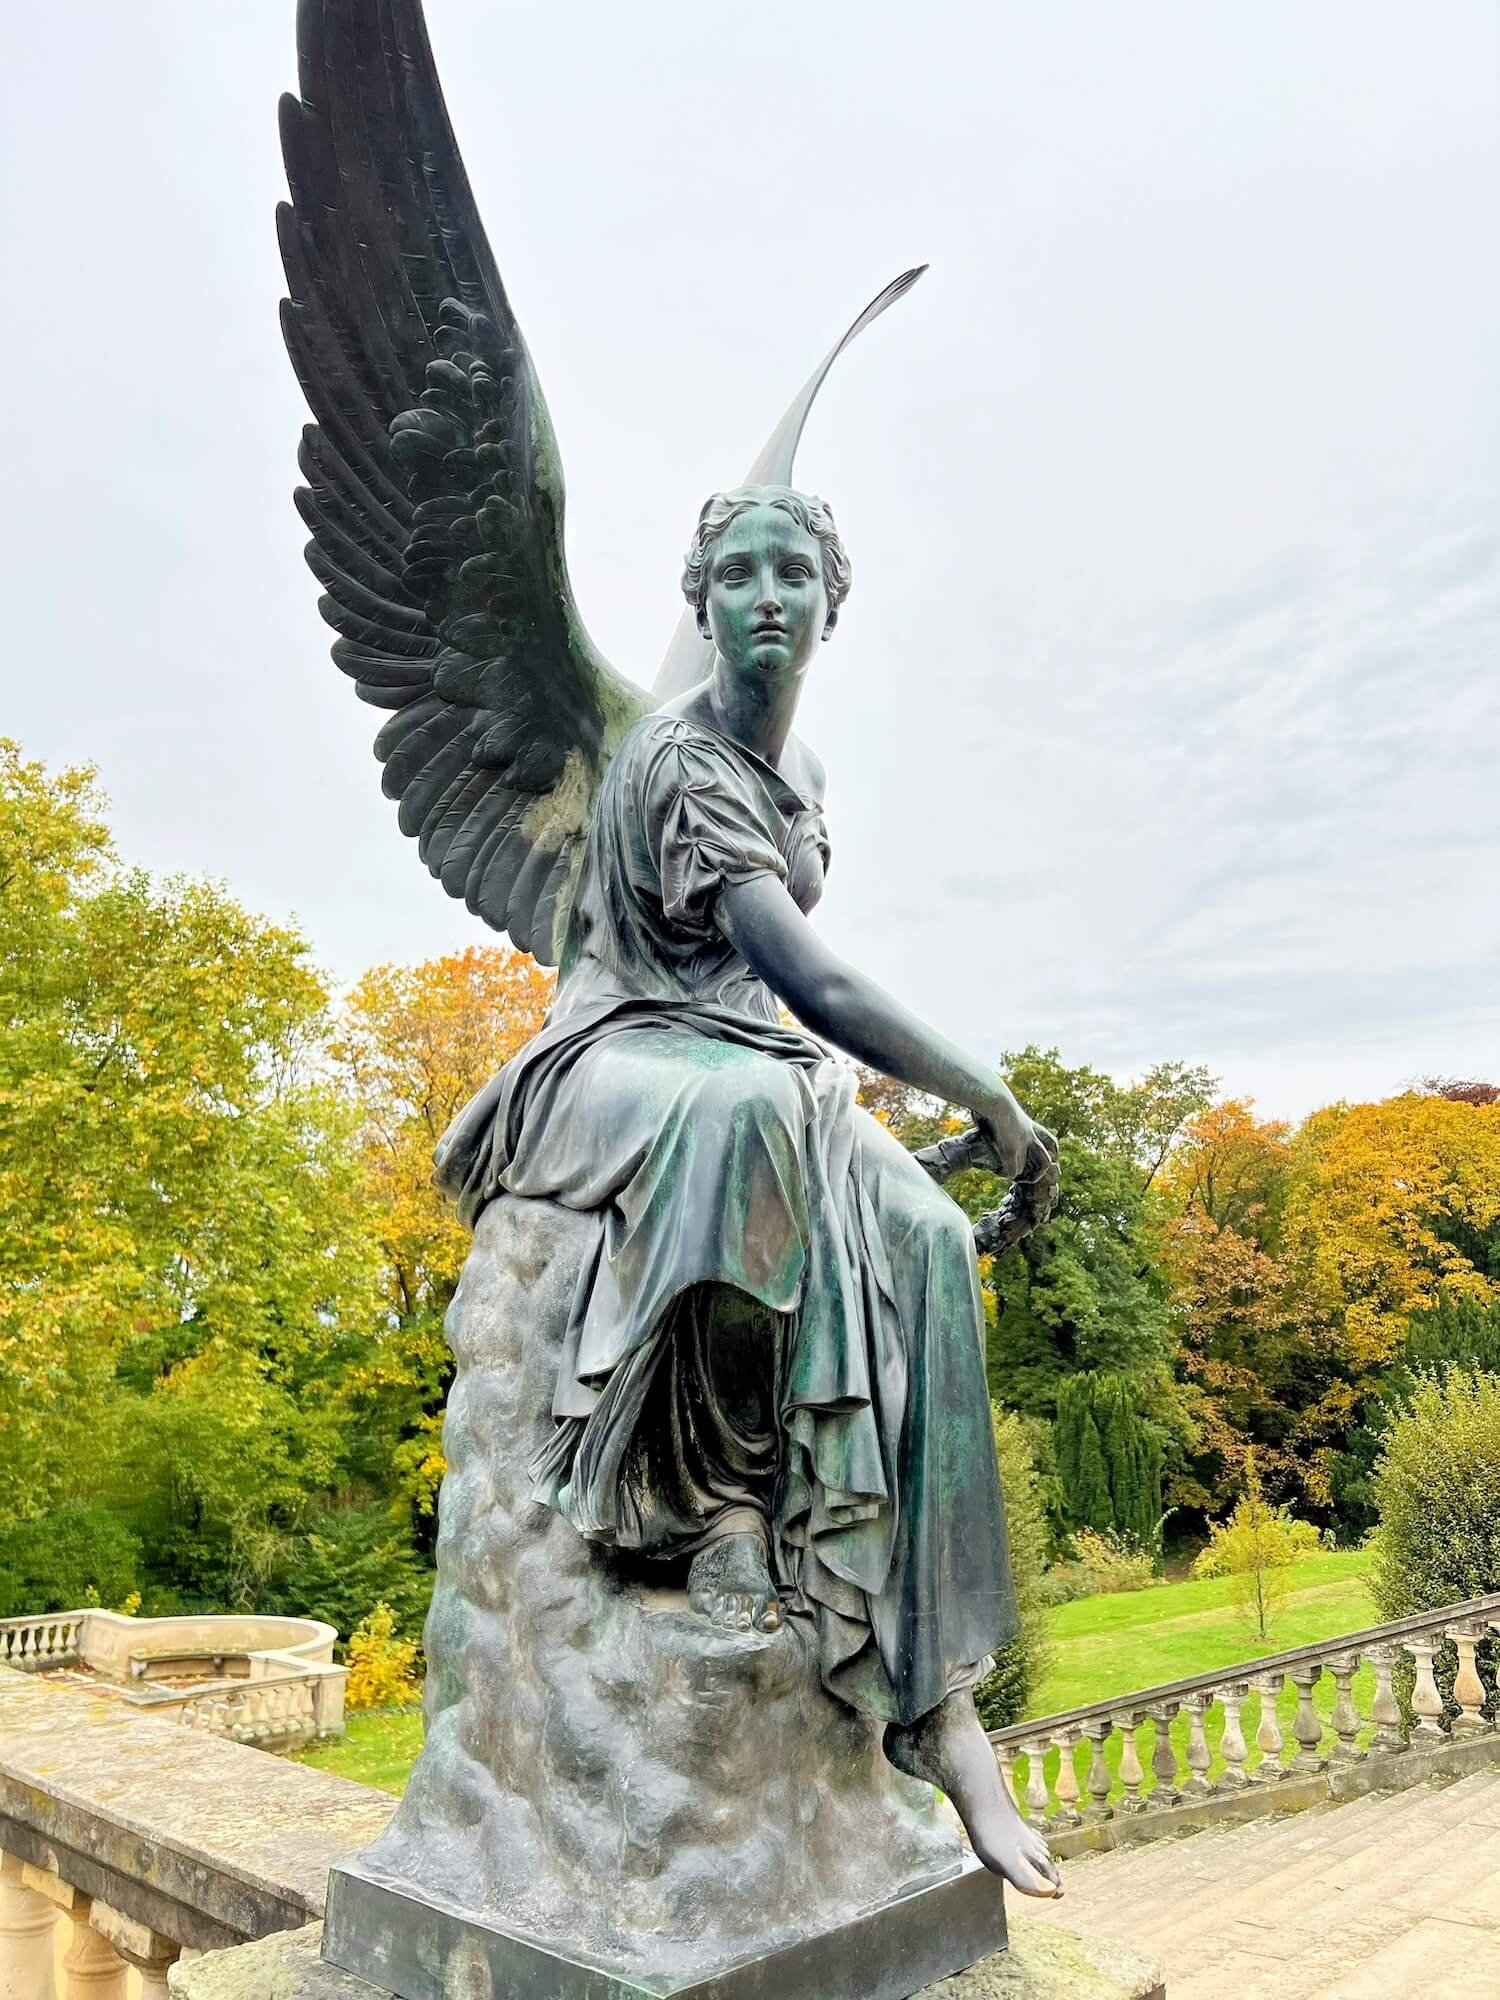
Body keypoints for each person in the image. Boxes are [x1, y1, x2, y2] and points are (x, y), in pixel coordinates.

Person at [437, 484, 1063, 1898]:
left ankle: (945, 1702)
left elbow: (785, 1005)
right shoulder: (677, 761)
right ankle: (702, 1511)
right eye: (738, 573)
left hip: (741, 1057)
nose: (768, 593)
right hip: (614, 1056)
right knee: (763, 1115)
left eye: (795, 571)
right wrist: (994, 1095)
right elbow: (812, 981)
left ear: (831, 604)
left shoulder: (808, 773)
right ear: (703, 603)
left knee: (918, 1230)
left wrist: (934, 1143)